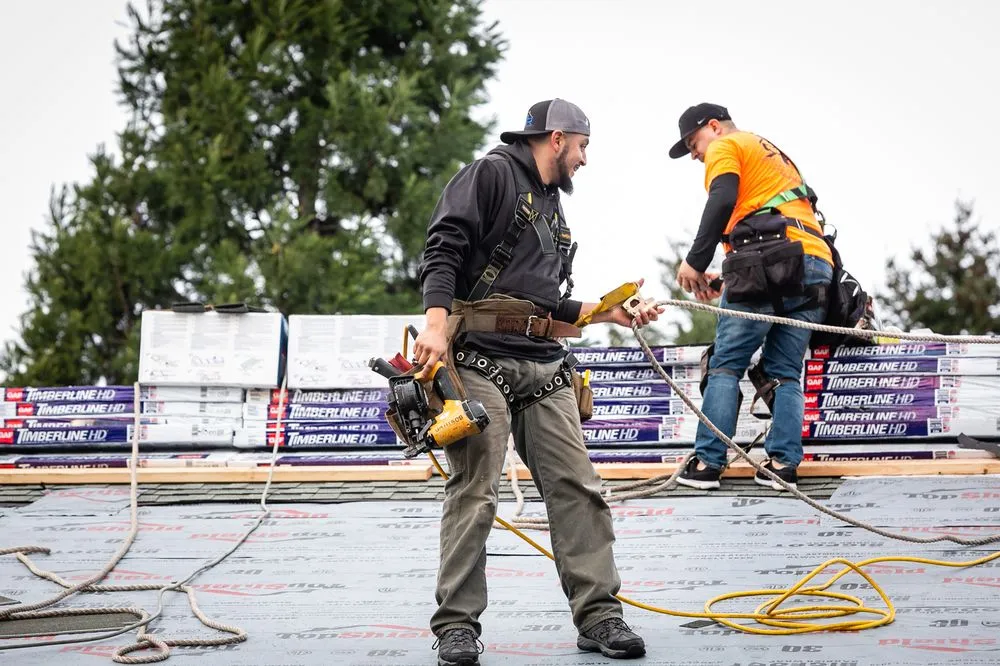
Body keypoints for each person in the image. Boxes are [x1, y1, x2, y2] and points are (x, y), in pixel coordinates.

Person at [414, 98, 661, 666]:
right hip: (477, 360)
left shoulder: (550, 204)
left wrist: (606, 313)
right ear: (557, 138)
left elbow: (541, 302)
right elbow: (444, 246)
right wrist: (434, 324)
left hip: (544, 363)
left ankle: (600, 615)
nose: (584, 159)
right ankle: (456, 625)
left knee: (578, 488)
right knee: (476, 490)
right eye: (583, 146)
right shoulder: (492, 174)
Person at [667, 103, 833, 492]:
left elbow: (722, 198)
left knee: (725, 364)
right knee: (785, 371)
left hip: (768, 261)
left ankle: (708, 464)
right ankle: (782, 465)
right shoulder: (771, 154)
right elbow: (774, 220)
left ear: (714, 128)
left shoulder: (728, 146)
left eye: (694, 143)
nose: (695, 154)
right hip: (812, 265)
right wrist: (728, 282)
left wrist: (694, 262)